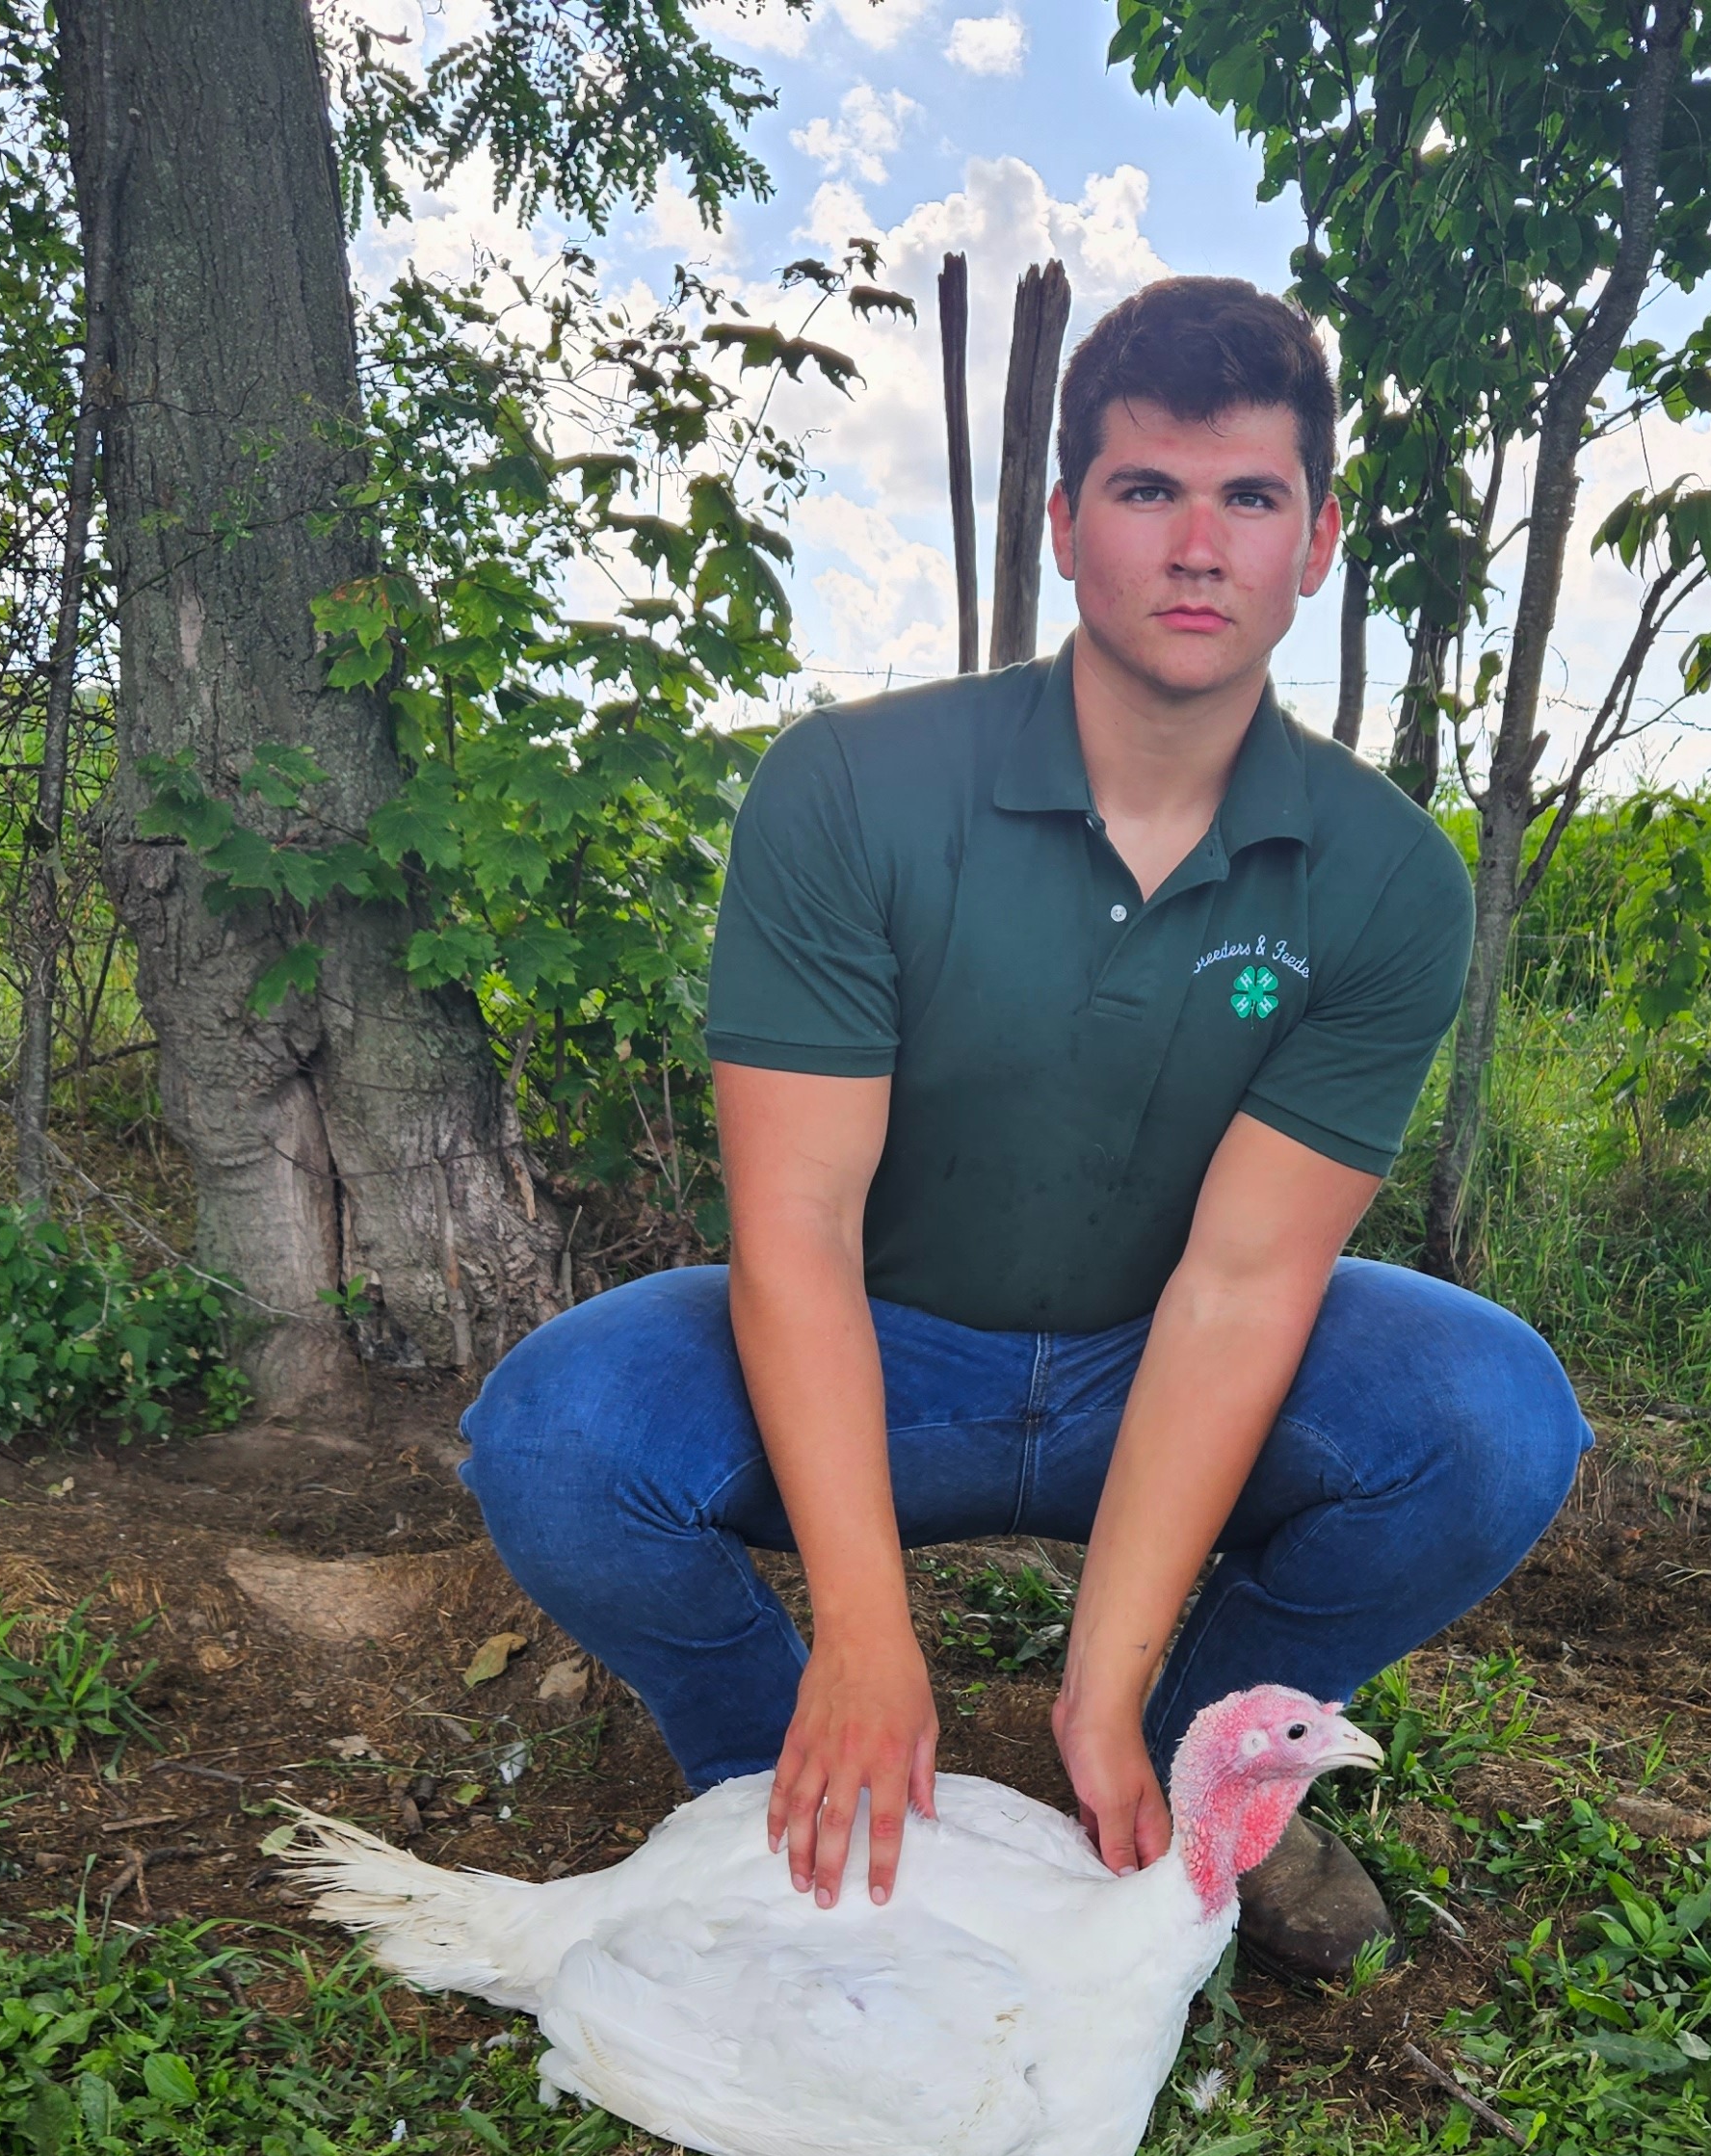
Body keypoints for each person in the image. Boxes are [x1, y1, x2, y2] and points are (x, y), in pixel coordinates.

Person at [461, 274, 1590, 1981]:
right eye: (1148, 491)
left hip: (1166, 1353)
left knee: (1495, 1417)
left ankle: (1193, 1793)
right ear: (1066, 526)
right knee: (557, 1434)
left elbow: (1241, 1281)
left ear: (1319, 538)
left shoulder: (1384, 878)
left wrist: (1107, 1675)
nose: (1198, 546)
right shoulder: (851, 790)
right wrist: (863, 1626)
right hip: (884, 1347)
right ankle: (793, 1789)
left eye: (1250, 498)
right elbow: (797, 1234)